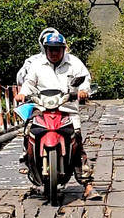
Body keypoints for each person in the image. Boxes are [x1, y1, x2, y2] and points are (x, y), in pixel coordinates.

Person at [20, 30, 92, 184]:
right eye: (50, 49)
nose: (54, 53)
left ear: (64, 49)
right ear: (45, 49)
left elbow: (85, 79)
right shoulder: (37, 64)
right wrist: (22, 94)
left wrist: (84, 91)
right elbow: (29, 83)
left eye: (58, 49)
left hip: (67, 109)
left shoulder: (74, 63)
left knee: (77, 140)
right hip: (42, 108)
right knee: (28, 130)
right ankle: (27, 157)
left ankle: (86, 182)